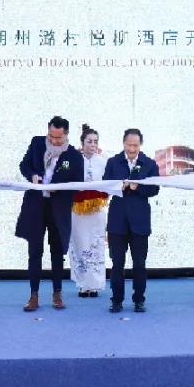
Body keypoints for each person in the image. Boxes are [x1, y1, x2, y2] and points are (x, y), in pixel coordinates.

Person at [16, 116, 85, 312]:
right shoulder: (37, 143)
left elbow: (78, 184)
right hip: (36, 206)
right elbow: (24, 165)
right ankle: (33, 295)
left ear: (66, 135)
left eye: (58, 138)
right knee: (34, 251)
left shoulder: (74, 156)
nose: (54, 141)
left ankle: (57, 294)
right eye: (51, 136)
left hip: (59, 208)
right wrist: (32, 176)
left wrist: (59, 188)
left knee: (57, 251)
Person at [104, 128, 160, 313]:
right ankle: (116, 300)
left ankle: (139, 300)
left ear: (140, 144)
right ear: (123, 143)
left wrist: (138, 187)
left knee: (139, 264)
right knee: (117, 264)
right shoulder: (113, 162)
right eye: (129, 145)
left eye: (135, 145)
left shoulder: (149, 163)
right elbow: (105, 186)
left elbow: (155, 189)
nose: (132, 149)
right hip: (117, 221)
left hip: (140, 221)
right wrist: (120, 186)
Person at [69, 124, 108, 298]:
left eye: (95, 141)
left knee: (96, 245)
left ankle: (96, 284)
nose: (92, 145)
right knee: (80, 244)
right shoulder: (74, 160)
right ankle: (83, 285)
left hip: (97, 210)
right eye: (89, 141)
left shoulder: (103, 161)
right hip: (77, 210)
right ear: (82, 143)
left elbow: (110, 183)